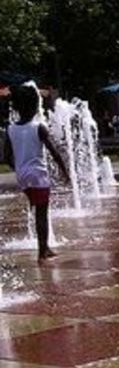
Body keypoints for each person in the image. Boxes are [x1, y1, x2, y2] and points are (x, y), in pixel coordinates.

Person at [4, 82, 69, 261]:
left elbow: (7, 156)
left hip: (22, 176)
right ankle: (43, 250)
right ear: (35, 106)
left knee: (37, 208)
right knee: (42, 213)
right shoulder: (39, 127)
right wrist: (65, 171)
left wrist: (18, 168)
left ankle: (44, 247)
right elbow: (54, 152)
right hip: (38, 175)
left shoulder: (10, 129)